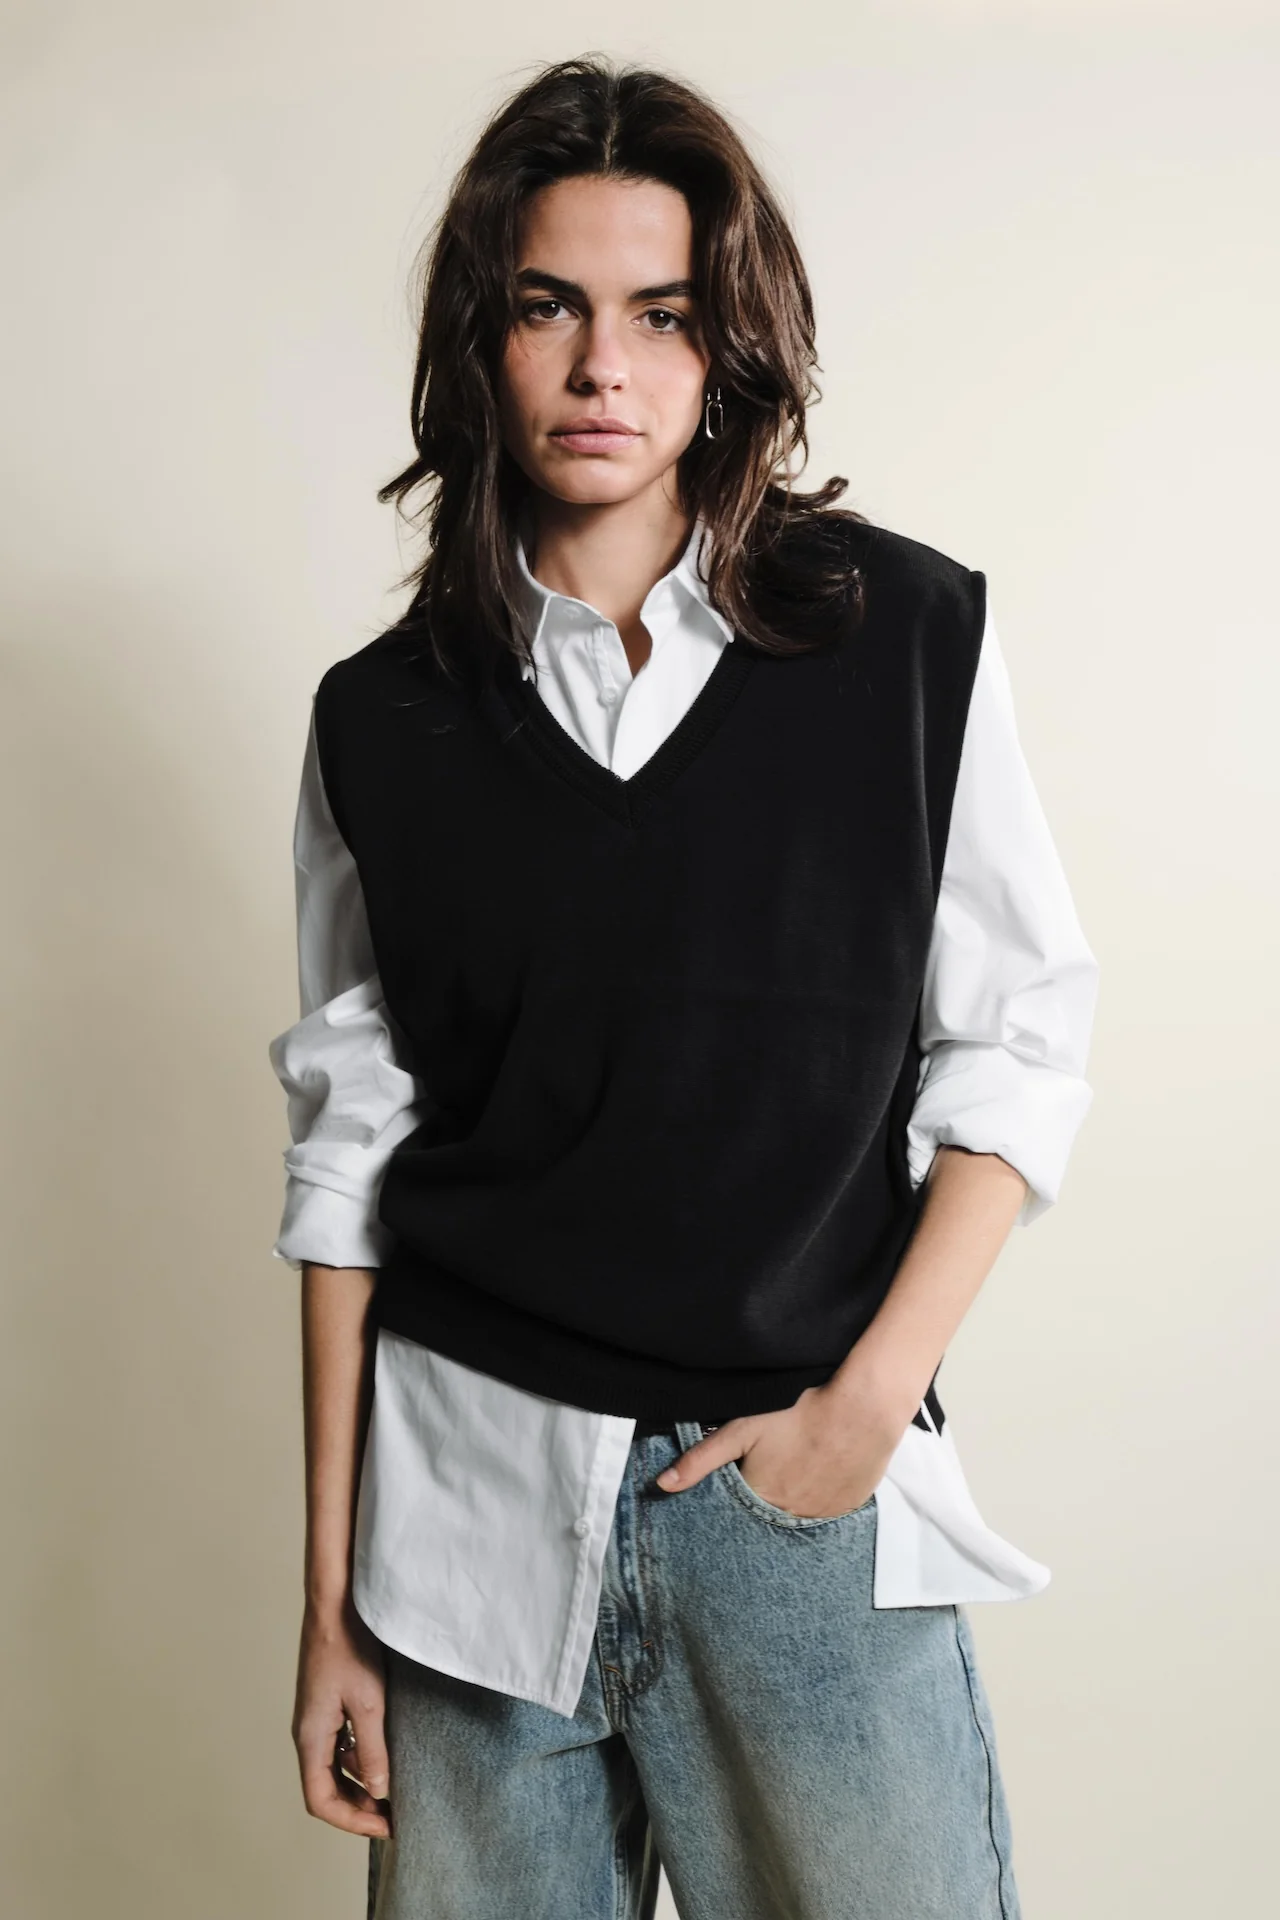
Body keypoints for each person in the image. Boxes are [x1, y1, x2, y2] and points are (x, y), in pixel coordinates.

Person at [268, 55, 1098, 1920]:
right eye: (547, 307)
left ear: (728, 348)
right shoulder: (380, 722)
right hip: (465, 1528)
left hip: (797, 1507)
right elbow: (346, 1160)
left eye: (660, 314)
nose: (602, 368)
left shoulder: (906, 640)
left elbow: (1020, 1039)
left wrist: (867, 1410)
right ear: (480, 339)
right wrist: (328, 1609)